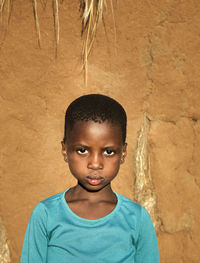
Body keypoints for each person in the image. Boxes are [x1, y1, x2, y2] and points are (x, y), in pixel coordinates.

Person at [20, 94, 160, 263]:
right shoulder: (46, 214)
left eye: (108, 152)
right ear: (65, 150)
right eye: (82, 150)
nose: (95, 164)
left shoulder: (137, 218)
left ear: (123, 153)